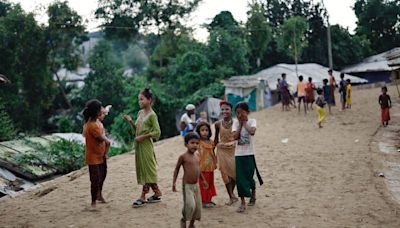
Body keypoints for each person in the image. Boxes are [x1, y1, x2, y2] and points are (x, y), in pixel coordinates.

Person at [123, 88, 162, 208]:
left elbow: (157, 132)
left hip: (146, 145)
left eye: (142, 99)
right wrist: (130, 122)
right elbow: (136, 131)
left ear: (149, 100)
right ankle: (157, 192)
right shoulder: (140, 113)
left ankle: (142, 196)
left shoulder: (152, 115)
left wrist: (143, 137)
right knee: (144, 168)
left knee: (148, 169)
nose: (139, 101)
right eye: (139, 99)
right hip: (139, 145)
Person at [172, 132, 208, 228]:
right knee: (190, 205)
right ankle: (184, 219)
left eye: (197, 143)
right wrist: (174, 182)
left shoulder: (197, 156)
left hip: (196, 185)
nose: (195, 145)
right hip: (187, 186)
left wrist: (203, 180)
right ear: (186, 144)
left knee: (197, 207)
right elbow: (177, 169)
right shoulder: (183, 157)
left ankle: (191, 224)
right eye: (192, 143)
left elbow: (198, 169)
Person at [232, 102, 263, 213]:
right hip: (238, 155)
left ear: (248, 112)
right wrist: (240, 124)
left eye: (242, 113)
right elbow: (235, 137)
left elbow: (252, 132)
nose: (239, 115)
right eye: (237, 113)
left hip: (250, 154)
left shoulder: (252, 121)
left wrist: (244, 122)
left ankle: (253, 194)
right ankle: (242, 203)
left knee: (250, 177)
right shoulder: (235, 123)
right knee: (240, 179)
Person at [82, 99, 111, 208]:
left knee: (102, 175)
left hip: (100, 154)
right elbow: (105, 141)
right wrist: (106, 152)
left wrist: (106, 110)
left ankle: (99, 194)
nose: (102, 111)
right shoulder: (92, 126)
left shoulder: (96, 121)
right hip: (94, 156)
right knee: (95, 179)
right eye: (100, 109)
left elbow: (104, 112)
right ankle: (93, 201)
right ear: (96, 112)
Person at [214, 101, 238, 206]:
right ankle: (231, 196)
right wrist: (211, 150)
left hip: (233, 150)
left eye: (227, 109)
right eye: (223, 109)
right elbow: (215, 139)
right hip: (221, 151)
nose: (224, 111)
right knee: (225, 174)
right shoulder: (218, 124)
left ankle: (232, 195)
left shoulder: (236, 122)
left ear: (231, 110)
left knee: (234, 174)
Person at [195, 122, 217, 208]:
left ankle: (209, 199)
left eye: (206, 130)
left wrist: (215, 162)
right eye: (202, 130)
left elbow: (212, 153)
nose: (205, 132)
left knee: (210, 183)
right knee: (204, 184)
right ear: (198, 132)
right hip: (202, 168)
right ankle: (204, 201)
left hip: (210, 167)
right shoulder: (198, 143)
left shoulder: (211, 142)